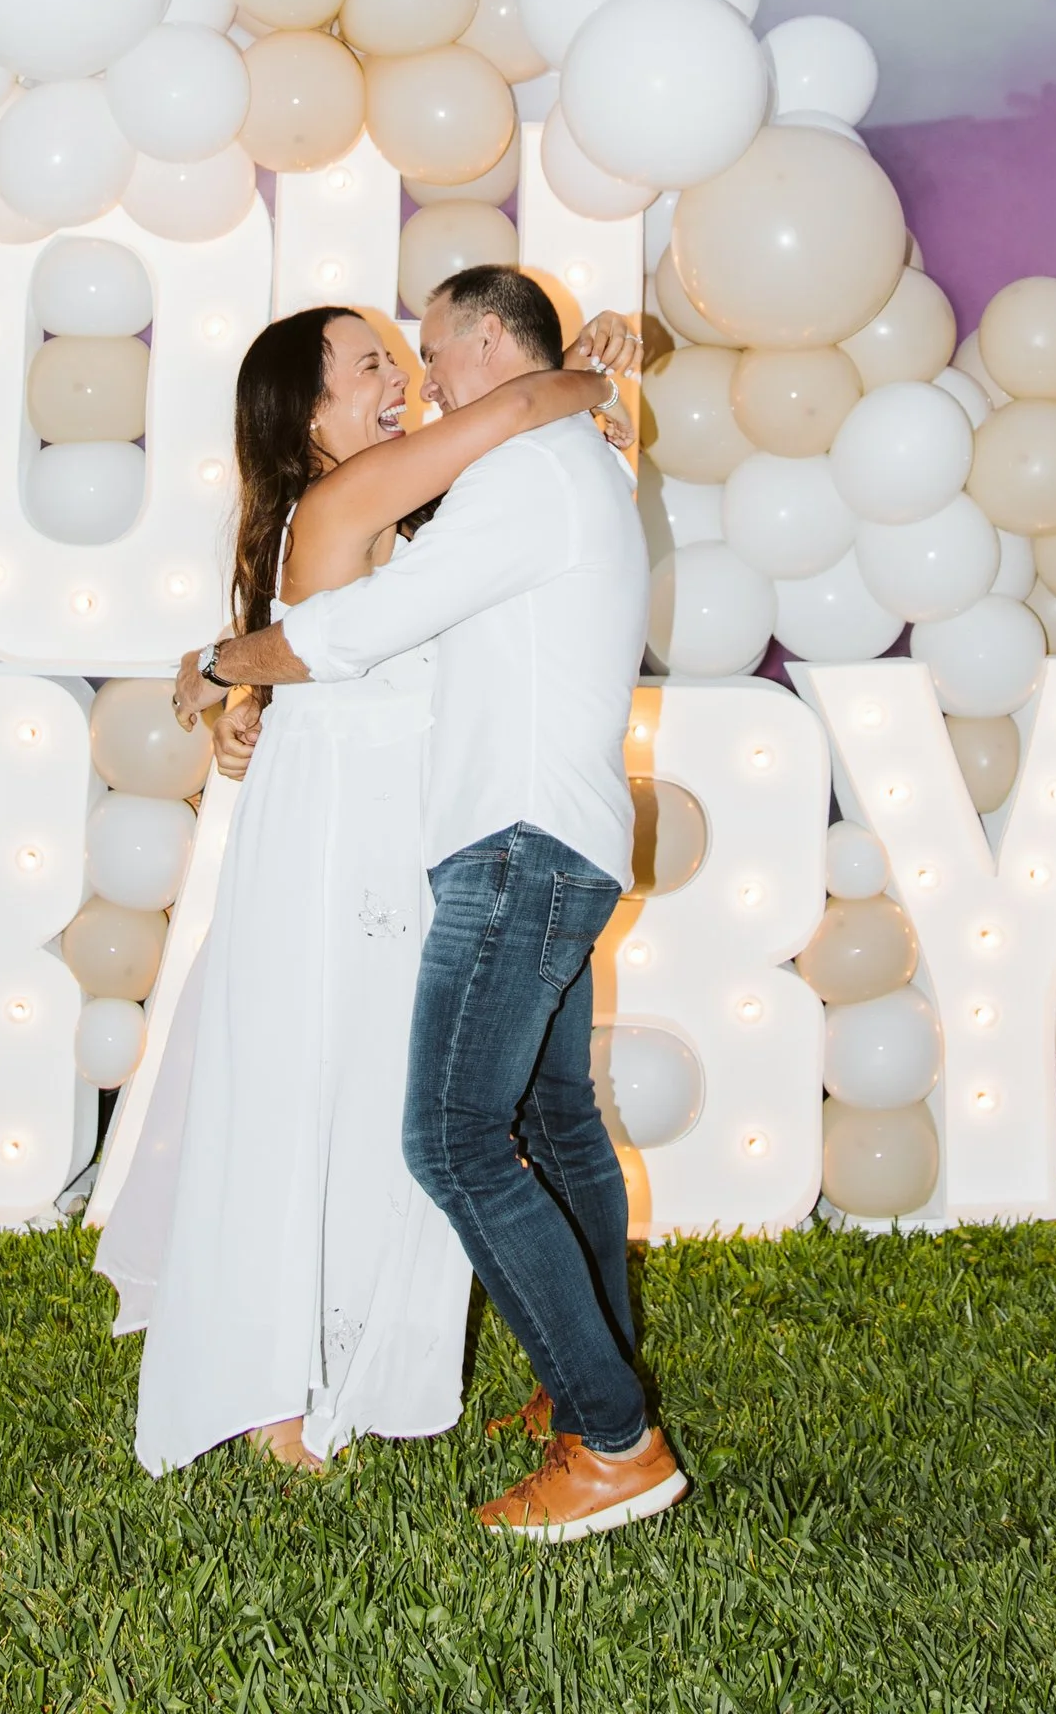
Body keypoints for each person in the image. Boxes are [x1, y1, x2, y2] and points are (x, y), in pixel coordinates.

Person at [175, 264, 685, 1544]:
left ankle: (613, 1435)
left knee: (456, 1139)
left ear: (481, 344)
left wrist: (222, 662)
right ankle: (585, 1382)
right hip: (514, 840)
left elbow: (361, 627)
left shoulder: (527, 464)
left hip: (513, 845)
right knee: (554, 1120)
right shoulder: (543, 462)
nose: (416, 381)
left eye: (424, 355)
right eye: (378, 368)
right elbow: (379, 628)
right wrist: (235, 683)